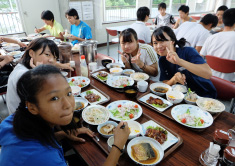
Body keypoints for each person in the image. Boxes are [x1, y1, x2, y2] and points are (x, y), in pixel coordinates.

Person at [0, 65, 130, 166]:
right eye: (54, 98)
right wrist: (118, 145)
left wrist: (62, 134)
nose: (68, 105)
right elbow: (38, 153)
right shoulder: (42, 157)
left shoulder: (19, 118)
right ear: (32, 106)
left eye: (68, 94)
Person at [6, 38, 72, 115]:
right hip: (25, 120)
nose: (51, 60)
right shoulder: (24, 76)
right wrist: (40, 75)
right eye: (47, 54)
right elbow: (49, 99)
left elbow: (50, 62)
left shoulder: (22, 64)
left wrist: (60, 65)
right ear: (31, 53)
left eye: (55, 57)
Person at [152, 26, 217, 98]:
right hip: (182, 96)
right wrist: (174, 80)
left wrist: (179, 61)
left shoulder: (188, 51)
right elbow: (165, 83)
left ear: (172, 41)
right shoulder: (162, 60)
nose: (158, 46)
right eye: (155, 43)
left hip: (204, 95)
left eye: (162, 41)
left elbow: (208, 74)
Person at [200, 8, 235, 82]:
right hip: (231, 83)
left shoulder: (211, 37)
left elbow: (201, 57)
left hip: (210, 78)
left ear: (222, 20)